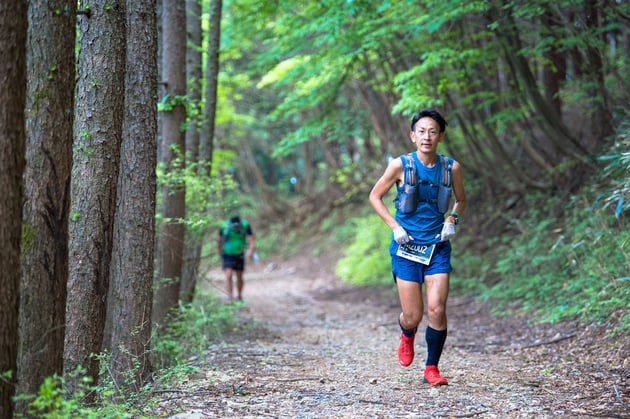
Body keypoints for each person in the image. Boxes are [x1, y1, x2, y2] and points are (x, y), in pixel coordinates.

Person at [369, 108, 466, 386]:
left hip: (437, 247)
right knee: (413, 315)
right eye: (422, 131)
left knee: (437, 308)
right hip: (406, 248)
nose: (427, 136)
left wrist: (452, 218)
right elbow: (375, 197)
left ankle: (431, 368)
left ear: (441, 137)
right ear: (413, 136)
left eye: (433, 131)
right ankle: (407, 333)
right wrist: (395, 226)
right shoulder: (400, 165)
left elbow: (461, 200)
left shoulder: (451, 168)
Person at [217, 215, 255, 301]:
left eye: (237, 226)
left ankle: (240, 295)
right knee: (228, 275)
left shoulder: (245, 225)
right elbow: (219, 239)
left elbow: (251, 238)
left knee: (239, 276)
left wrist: (251, 250)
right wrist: (220, 251)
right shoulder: (224, 226)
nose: (236, 228)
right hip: (227, 253)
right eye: (234, 226)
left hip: (239, 254)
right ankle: (230, 297)